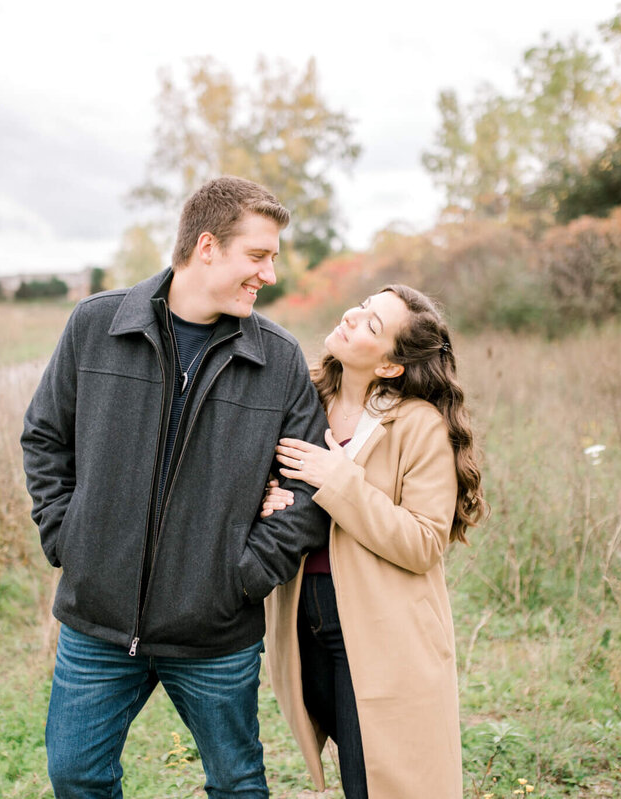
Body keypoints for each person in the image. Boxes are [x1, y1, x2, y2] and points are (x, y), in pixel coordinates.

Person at [22, 176, 330, 799]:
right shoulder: (96, 325)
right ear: (208, 247)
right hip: (98, 620)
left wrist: (244, 575)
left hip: (214, 628)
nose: (269, 274)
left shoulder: (279, 359)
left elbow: (308, 485)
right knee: (75, 773)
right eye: (259, 255)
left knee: (237, 783)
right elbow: (45, 438)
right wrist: (69, 538)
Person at [260, 284, 487, 798]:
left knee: (379, 779)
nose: (352, 316)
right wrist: (268, 499)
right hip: (302, 619)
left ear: (389, 366)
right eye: (362, 307)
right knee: (354, 769)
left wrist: (335, 478)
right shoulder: (304, 400)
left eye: (372, 325)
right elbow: (266, 485)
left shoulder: (418, 426)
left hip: (381, 626)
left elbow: (424, 541)